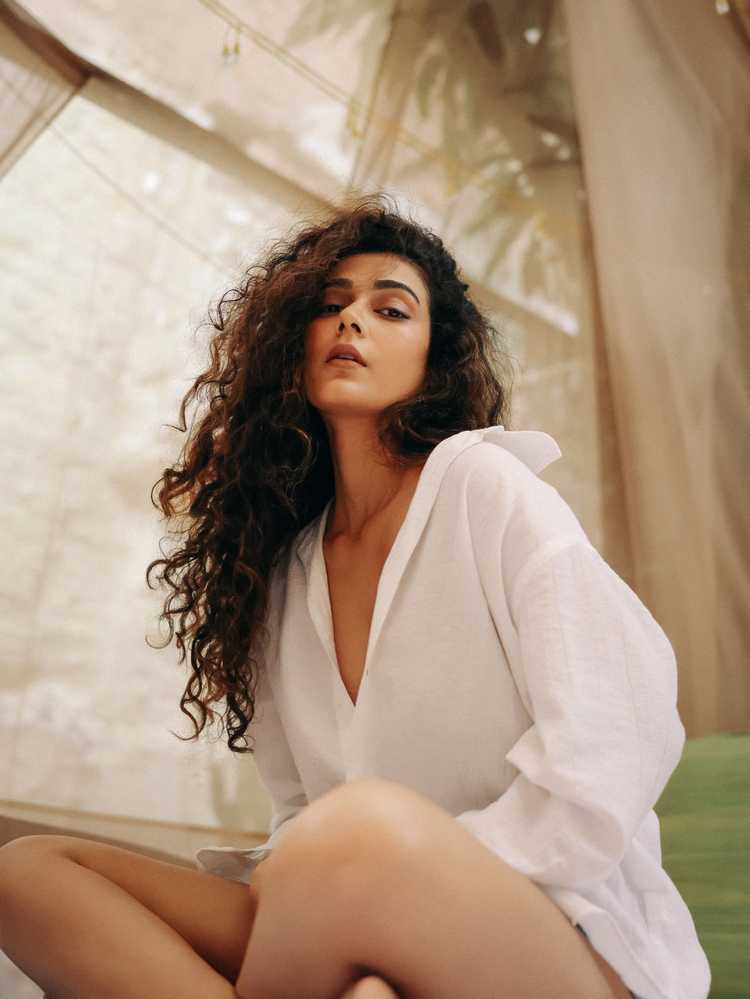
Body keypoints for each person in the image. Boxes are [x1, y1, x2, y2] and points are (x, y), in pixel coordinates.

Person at [0, 195, 710, 999]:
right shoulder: (284, 570)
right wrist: (329, 890)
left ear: (433, 358)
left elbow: (621, 728)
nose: (352, 320)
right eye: (329, 305)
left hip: (559, 934)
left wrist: (393, 874)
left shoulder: (484, 488)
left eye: (390, 309)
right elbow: (300, 812)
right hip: (342, 905)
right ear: (291, 348)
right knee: (31, 873)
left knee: (357, 837)